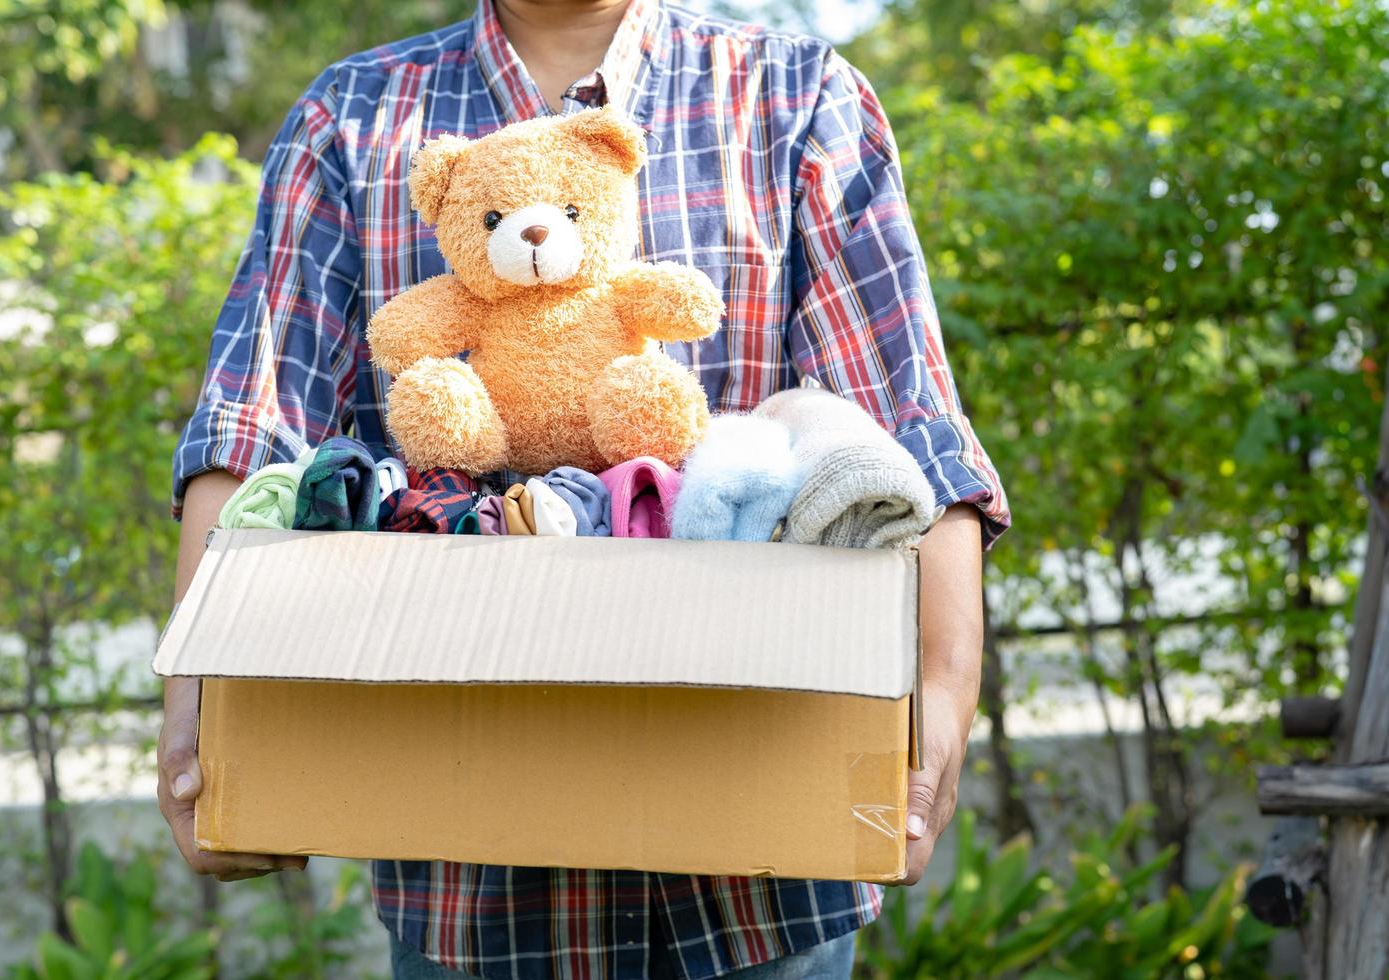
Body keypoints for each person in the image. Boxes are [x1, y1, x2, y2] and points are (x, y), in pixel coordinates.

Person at [158, 0, 1011, 976]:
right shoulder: (351, 122)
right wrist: (197, 714)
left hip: (766, 871)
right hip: (472, 891)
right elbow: (255, 424)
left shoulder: (795, 99)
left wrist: (941, 696)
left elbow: (908, 436)